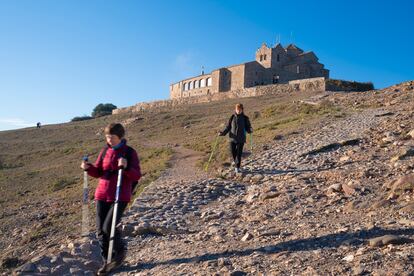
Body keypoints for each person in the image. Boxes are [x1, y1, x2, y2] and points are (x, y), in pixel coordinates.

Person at [81, 123, 141, 274]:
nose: (109, 140)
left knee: (109, 227)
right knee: (101, 230)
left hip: (120, 195)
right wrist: (89, 168)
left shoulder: (129, 152)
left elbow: (136, 175)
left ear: (120, 137)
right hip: (102, 194)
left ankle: (119, 254)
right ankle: (106, 261)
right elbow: (99, 171)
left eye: (112, 137)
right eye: (107, 137)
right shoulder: (104, 151)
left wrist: (126, 167)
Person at [218, 103, 253, 173]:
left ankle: (237, 167)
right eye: (237, 109)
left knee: (239, 154)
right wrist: (222, 133)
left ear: (242, 110)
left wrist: (250, 130)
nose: (238, 111)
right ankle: (237, 164)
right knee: (233, 152)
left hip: (241, 139)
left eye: (240, 110)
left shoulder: (245, 118)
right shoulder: (232, 117)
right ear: (235, 109)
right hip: (232, 138)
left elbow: (248, 127)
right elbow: (228, 127)